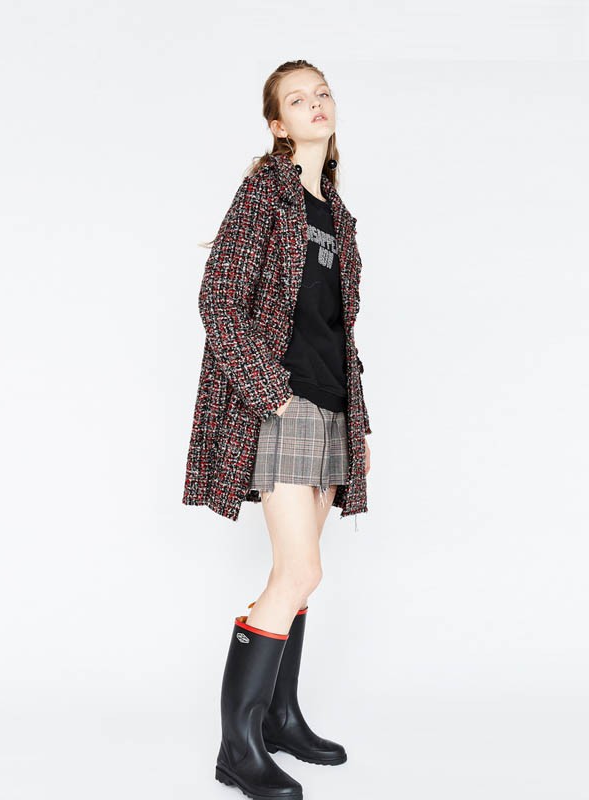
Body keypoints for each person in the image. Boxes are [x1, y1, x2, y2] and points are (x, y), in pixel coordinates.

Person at [183, 60, 372, 800]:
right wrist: (272, 395)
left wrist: (360, 423)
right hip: (284, 405)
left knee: (295, 578)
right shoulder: (266, 191)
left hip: (331, 407)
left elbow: (338, 330)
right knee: (300, 572)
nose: (315, 104)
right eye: (298, 99)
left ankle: (279, 718)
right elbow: (218, 299)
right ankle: (238, 748)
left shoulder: (337, 214)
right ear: (277, 123)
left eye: (322, 93)